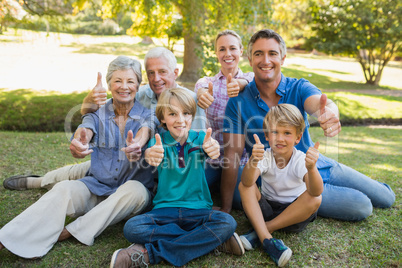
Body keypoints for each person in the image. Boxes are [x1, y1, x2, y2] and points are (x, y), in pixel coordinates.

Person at [223, 29, 395, 222]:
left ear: (283, 57)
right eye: (258, 54)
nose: (265, 60)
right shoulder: (237, 102)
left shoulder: (299, 87)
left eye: (272, 53)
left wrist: (328, 113)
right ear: (250, 58)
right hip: (289, 184)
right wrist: (226, 207)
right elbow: (233, 154)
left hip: (317, 164)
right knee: (361, 206)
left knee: (387, 198)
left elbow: (320, 104)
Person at [0, 56, 155, 258]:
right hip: (96, 188)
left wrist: (138, 144)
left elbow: (146, 130)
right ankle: (6, 238)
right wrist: (81, 141)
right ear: (109, 84)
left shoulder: (148, 115)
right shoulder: (97, 113)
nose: (124, 87)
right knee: (63, 187)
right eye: (117, 81)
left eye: (130, 81)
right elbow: (86, 128)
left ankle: (69, 232)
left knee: (136, 189)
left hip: (129, 198)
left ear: (138, 85)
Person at [3, 47, 206, 191]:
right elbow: (102, 107)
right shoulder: (142, 93)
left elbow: (195, 148)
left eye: (162, 72)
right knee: (84, 169)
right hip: (129, 162)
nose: (156, 79)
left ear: (175, 72)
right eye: (151, 73)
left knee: (90, 171)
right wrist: (90, 99)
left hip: (157, 170)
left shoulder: (190, 102)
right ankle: (37, 182)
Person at [110, 88, 244, 267]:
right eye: (173, 114)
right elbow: (151, 154)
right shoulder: (158, 141)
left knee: (227, 222)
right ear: (163, 118)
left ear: (192, 116)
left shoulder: (202, 138)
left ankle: (150, 254)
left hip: (198, 210)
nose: (181, 120)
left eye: (186, 113)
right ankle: (208, 241)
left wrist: (213, 148)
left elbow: (211, 147)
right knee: (132, 228)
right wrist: (151, 154)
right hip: (164, 211)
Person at [239, 104, 323, 267]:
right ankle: (267, 239)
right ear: (267, 136)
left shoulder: (299, 159)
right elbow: (247, 182)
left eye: (287, 133)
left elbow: (316, 191)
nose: (280, 138)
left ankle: (261, 231)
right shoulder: (266, 156)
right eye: (275, 132)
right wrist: (254, 160)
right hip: (267, 209)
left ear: (297, 138)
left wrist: (312, 168)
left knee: (315, 198)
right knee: (244, 186)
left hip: (294, 215)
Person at [195, 30, 254, 211]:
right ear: (216, 53)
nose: (227, 54)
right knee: (190, 187)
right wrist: (203, 95)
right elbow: (201, 89)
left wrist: (239, 84)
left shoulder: (251, 80)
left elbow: (247, 81)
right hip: (212, 159)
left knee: (238, 201)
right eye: (222, 49)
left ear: (241, 51)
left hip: (240, 160)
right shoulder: (207, 82)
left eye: (232, 48)